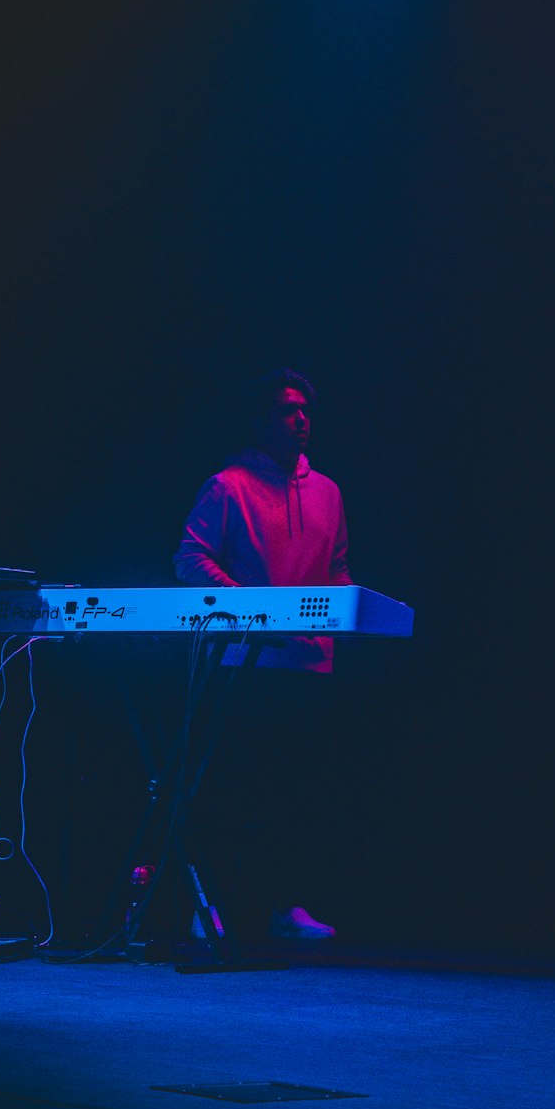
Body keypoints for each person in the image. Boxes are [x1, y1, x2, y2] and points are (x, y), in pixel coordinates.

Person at [173, 368, 352, 941]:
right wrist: (250, 610)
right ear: (261, 419)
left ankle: (283, 906)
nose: (300, 421)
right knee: (235, 788)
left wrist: (341, 615)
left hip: (308, 664)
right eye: (286, 411)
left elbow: (338, 567)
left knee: (293, 791)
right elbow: (191, 558)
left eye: (306, 411)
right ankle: (214, 910)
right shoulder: (229, 485)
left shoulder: (328, 493)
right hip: (244, 665)